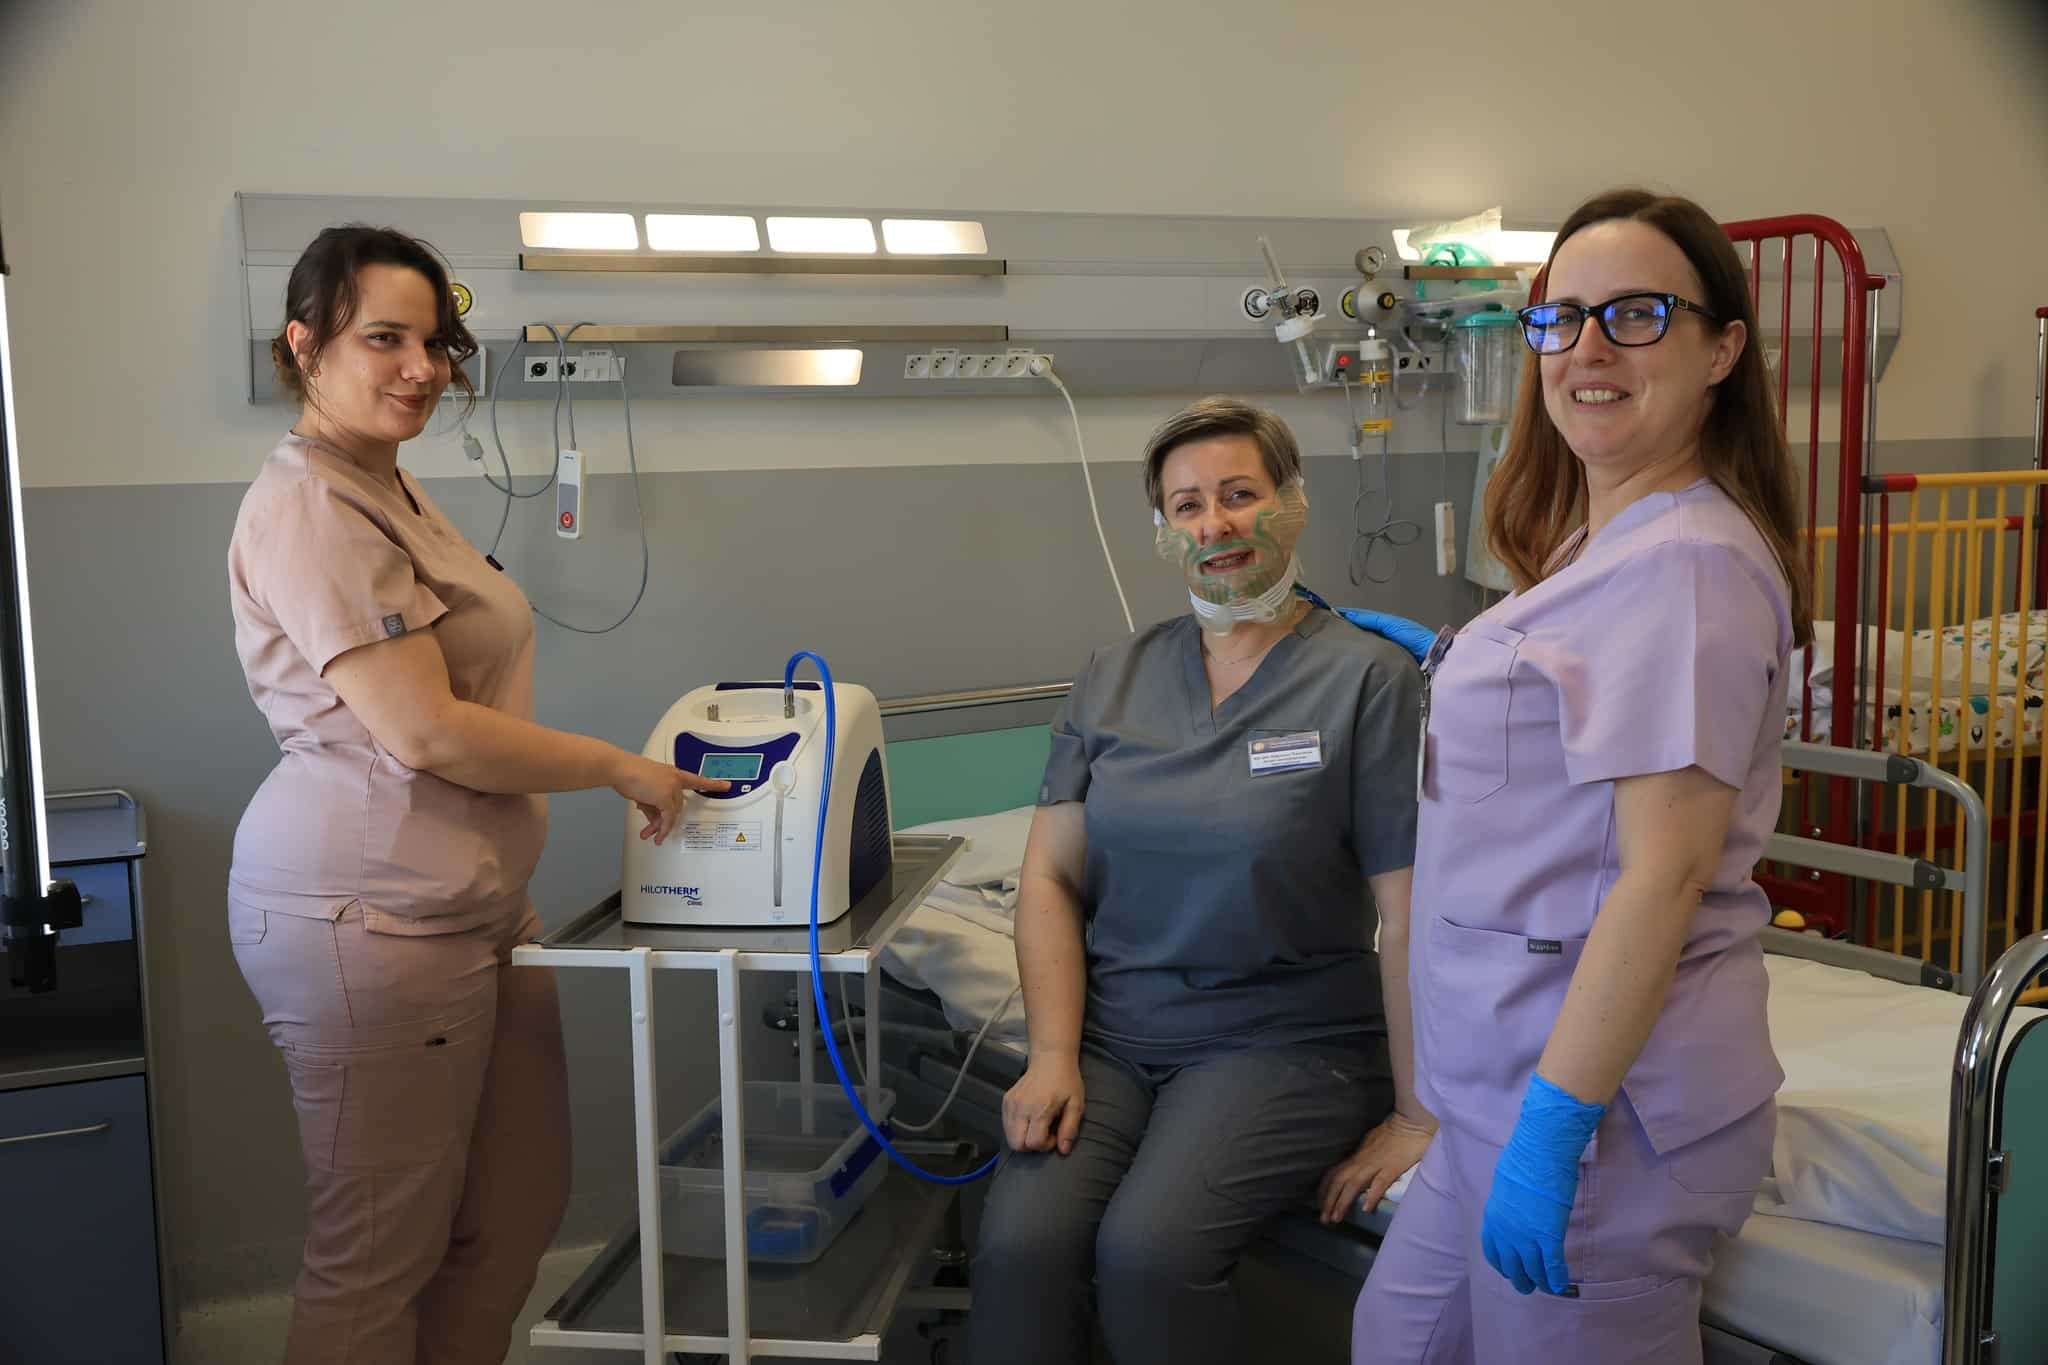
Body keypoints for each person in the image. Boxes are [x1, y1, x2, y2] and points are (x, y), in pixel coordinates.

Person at [225, 224, 725, 1365]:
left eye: (435, 344)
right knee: (375, 1258)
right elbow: (426, 730)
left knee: (511, 1218)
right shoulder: (312, 505)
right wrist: (617, 765)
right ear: (303, 344)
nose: (420, 368)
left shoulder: (387, 483)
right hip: (368, 916)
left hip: (478, 907)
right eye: (383, 339)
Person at [1352, 188, 1814, 1363]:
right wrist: (1468, 665)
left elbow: (1662, 875)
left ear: (1720, 350)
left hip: (1598, 1116)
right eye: (1560, 318)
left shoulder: (1688, 567)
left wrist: (1553, 1133)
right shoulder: (1598, 544)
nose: (1586, 348)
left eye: (1635, 314)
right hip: (1489, 1091)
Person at [967, 397, 1431, 1365]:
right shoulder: (1112, 676)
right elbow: (1048, 876)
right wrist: (1050, 1054)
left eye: (1239, 494)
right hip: (1115, 1037)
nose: (1215, 524)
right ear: (1162, 531)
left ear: (1292, 503)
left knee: (1149, 1254)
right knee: (1019, 1247)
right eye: (1187, 506)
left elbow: (1408, 911)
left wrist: (1417, 1112)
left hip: (1286, 1041)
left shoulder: (1369, 679)